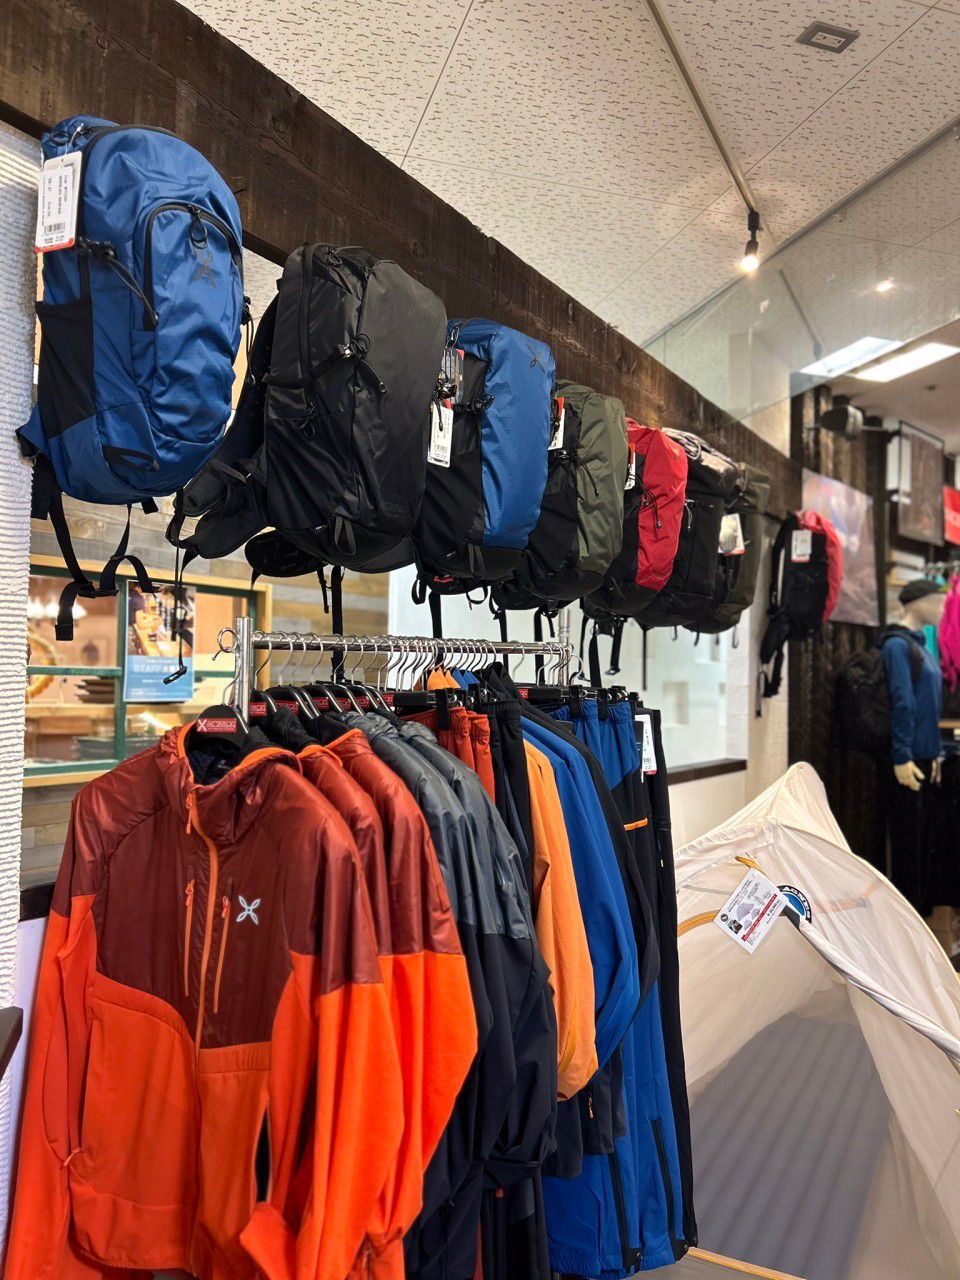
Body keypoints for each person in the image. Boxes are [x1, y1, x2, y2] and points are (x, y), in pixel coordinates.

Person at [882, 579, 945, 913]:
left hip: (924, 756)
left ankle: (921, 918)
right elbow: (902, 702)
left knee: (923, 843)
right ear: (919, 602)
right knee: (908, 846)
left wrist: (935, 752)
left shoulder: (922, 646)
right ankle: (907, 919)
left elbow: (928, 705)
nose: (943, 609)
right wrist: (902, 756)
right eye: (938, 601)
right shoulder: (897, 646)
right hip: (907, 760)